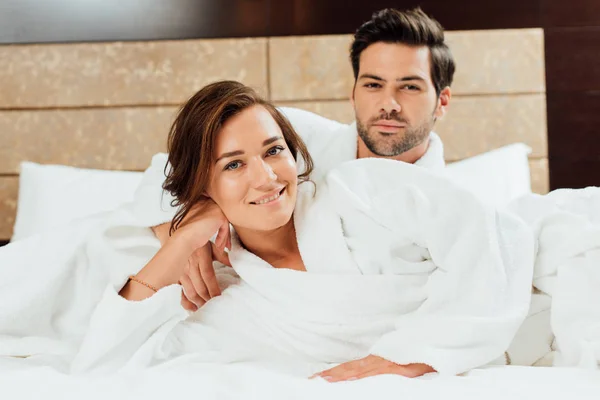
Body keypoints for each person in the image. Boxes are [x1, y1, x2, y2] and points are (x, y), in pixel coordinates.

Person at [78, 80, 534, 380]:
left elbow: (492, 234)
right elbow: (104, 362)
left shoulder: (362, 188)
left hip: (534, 294)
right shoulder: (233, 298)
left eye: (273, 151)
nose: (266, 177)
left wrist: (402, 359)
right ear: (202, 187)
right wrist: (180, 239)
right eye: (234, 164)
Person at [146, 7, 455, 311]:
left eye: (410, 87)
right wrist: (184, 226)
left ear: (442, 102)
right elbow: (166, 168)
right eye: (373, 85)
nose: (389, 104)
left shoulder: (448, 212)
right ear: (353, 93)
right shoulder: (290, 136)